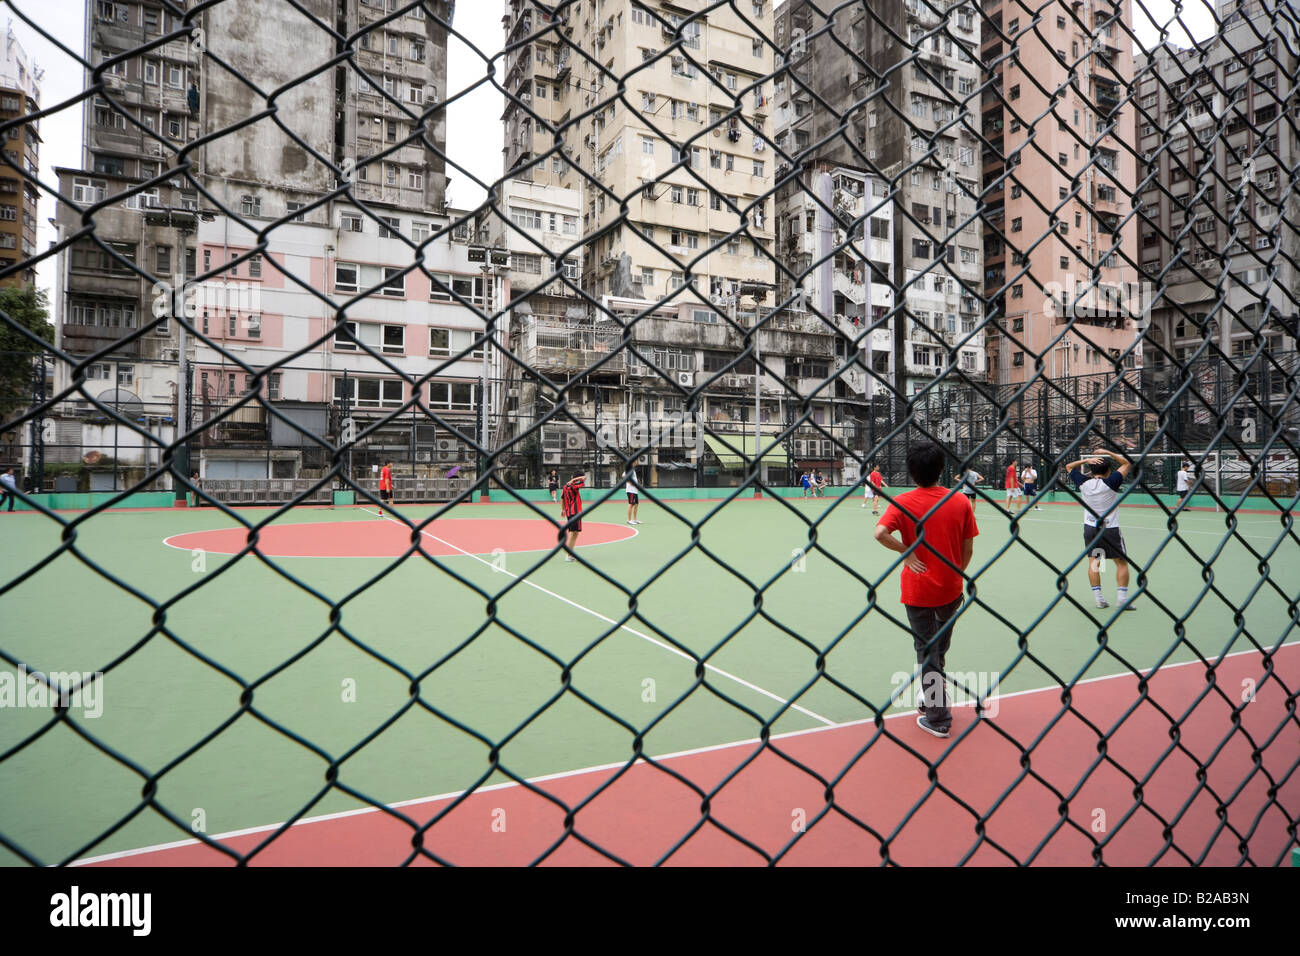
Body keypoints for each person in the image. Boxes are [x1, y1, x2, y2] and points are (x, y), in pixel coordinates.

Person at [874, 442, 979, 739]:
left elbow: (879, 533)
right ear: (942, 470)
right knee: (938, 648)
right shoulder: (959, 502)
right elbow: (968, 547)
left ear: (910, 472)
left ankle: (937, 716)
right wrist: (955, 570)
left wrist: (907, 551)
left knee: (926, 651)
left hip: (918, 588)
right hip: (951, 586)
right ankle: (932, 694)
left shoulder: (903, 501)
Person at [1065, 448, 1135, 611]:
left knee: (1094, 563)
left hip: (1090, 528)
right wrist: (1108, 452)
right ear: (1109, 470)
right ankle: (1122, 599)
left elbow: (1068, 466)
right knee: (1122, 563)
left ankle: (1099, 599)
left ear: (1091, 469)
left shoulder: (1083, 482)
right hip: (1110, 528)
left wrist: (1084, 461)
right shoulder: (1111, 482)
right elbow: (1126, 464)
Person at [560, 471, 586, 561]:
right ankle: (569, 555)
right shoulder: (574, 486)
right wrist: (575, 479)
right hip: (575, 512)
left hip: (569, 512)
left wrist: (563, 509)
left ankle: (570, 553)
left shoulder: (565, 486)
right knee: (573, 533)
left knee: (574, 533)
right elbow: (584, 479)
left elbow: (562, 498)